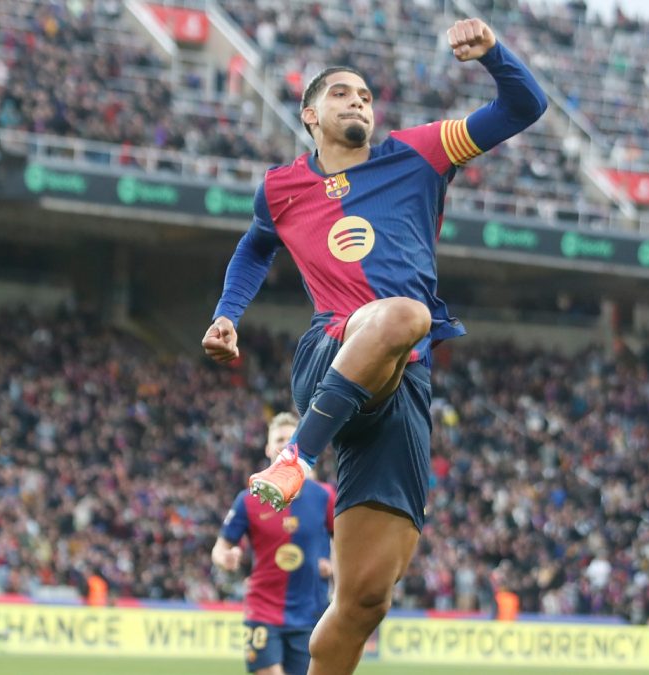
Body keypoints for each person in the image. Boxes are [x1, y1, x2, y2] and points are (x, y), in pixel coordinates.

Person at [202, 18, 547, 674]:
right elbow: (254, 243)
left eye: (365, 94)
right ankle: (297, 458)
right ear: (310, 115)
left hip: (403, 386)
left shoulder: (419, 153)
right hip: (329, 348)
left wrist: (494, 54)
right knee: (401, 314)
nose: (359, 101)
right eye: (342, 95)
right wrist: (227, 314)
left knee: (364, 597)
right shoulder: (280, 188)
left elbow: (524, 107)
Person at [213, 412, 334, 675]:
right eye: (279, 438)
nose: (285, 443)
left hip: (310, 615)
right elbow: (220, 547)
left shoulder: (324, 496)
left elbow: (349, 544)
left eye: (292, 438)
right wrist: (225, 557)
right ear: (269, 448)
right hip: (263, 610)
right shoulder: (247, 500)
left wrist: (335, 564)